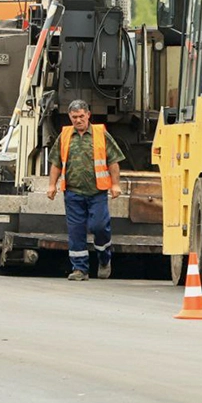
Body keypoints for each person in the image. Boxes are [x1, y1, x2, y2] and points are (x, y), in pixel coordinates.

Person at [46, 100, 123, 281]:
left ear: (88, 115)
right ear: (70, 117)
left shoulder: (100, 134)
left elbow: (113, 161)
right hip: (73, 193)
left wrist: (115, 184)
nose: (78, 120)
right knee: (76, 231)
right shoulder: (65, 136)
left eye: (81, 116)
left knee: (99, 227)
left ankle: (104, 259)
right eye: (74, 117)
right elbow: (56, 163)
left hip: (97, 192)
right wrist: (51, 185)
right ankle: (80, 269)